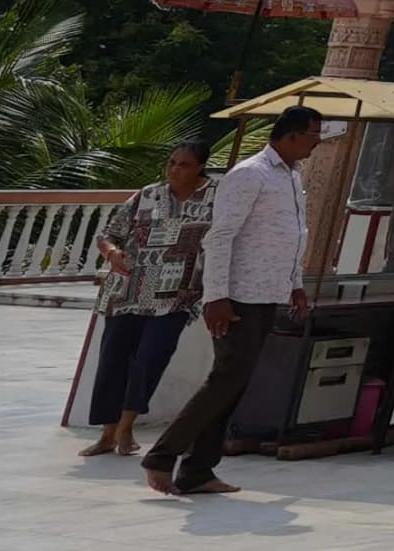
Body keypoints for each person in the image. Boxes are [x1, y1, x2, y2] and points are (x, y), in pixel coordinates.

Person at [144, 103, 321, 499]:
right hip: (238, 294)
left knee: (235, 383)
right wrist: (216, 297)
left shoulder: (291, 177)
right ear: (291, 135)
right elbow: (220, 237)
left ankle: (198, 470)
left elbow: (291, 236)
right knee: (226, 377)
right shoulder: (250, 175)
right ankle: (162, 455)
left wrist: (294, 283)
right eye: (313, 136)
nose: (316, 145)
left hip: (267, 291)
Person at [78, 140, 216, 458]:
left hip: (177, 296)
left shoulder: (215, 199)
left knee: (150, 360)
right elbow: (108, 233)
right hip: (127, 291)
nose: (174, 170)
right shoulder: (147, 195)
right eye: (171, 163)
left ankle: (127, 426)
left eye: (183, 164)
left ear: (199, 168)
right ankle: (107, 433)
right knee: (113, 360)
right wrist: (112, 253)